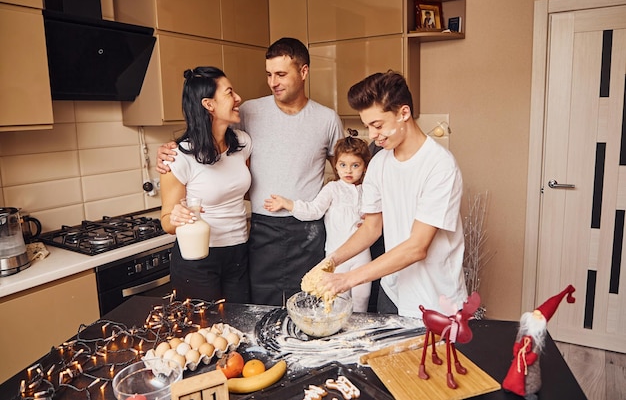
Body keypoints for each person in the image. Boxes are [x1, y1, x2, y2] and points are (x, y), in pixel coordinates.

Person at [156, 38, 344, 306]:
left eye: (281, 74)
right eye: (269, 74)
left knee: (308, 305)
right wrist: (167, 152)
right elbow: (204, 131)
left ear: (303, 72)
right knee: (256, 312)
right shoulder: (247, 113)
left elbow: (347, 170)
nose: (273, 82)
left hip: (306, 230)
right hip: (258, 231)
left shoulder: (325, 120)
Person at [303, 70, 467, 318]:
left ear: (404, 113)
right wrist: (331, 263)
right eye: (368, 126)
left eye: (378, 125)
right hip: (392, 291)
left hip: (436, 299)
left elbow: (416, 247)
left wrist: (346, 280)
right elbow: (371, 228)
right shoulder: (379, 163)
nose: (372, 135)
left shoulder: (439, 166)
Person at [160, 66, 252, 303]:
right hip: (197, 258)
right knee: (202, 334)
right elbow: (167, 221)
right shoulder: (178, 157)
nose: (238, 98)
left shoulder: (242, 144)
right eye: (230, 93)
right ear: (208, 105)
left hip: (239, 253)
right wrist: (177, 216)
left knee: (239, 330)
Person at [264, 132, 372, 312]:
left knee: (363, 299)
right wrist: (287, 203)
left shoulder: (368, 190)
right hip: (336, 257)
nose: (348, 170)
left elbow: (377, 220)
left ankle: (359, 335)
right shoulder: (332, 189)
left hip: (362, 256)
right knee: (338, 301)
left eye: (355, 165)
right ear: (335, 165)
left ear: (365, 167)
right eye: (343, 165)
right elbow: (313, 210)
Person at [502, 285, 576, 400]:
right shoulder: (524, 331)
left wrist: (529, 358)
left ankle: (528, 391)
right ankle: (510, 385)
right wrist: (517, 350)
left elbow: (535, 353)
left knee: (530, 377)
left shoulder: (538, 337)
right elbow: (518, 340)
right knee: (514, 374)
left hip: (528, 364)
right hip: (519, 360)